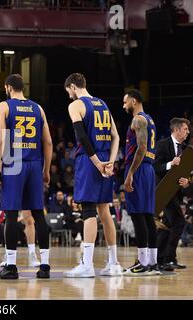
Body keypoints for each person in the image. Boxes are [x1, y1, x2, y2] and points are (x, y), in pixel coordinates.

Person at [0, 73, 52, 279]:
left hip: (14, 164)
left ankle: (11, 266)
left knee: (10, 214)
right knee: (38, 215)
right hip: (34, 165)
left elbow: (1, 137)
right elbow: (49, 142)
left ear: (8, 87)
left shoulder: (4, 106)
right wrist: (46, 169)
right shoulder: (38, 108)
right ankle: (44, 266)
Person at [62, 73, 122, 278]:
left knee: (88, 209)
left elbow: (81, 137)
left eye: (68, 91)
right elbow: (116, 136)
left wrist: (97, 163)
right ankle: (114, 264)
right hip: (106, 159)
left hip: (90, 161)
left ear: (72, 86)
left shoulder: (76, 105)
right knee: (105, 212)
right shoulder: (103, 104)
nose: (69, 95)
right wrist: (111, 162)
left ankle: (87, 264)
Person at [122, 89, 161, 276]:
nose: (123, 105)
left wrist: (130, 174)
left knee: (138, 216)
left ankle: (143, 263)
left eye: (125, 102)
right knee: (147, 216)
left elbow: (142, 147)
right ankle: (153, 263)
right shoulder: (151, 119)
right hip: (148, 170)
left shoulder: (138, 119)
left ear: (134, 101)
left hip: (138, 169)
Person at [154, 117, 191, 270]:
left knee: (167, 225)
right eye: (185, 129)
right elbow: (155, 167)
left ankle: (161, 258)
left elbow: (182, 173)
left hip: (175, 192)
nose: (188, 132)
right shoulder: (162, 144)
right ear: (176, 130)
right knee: (179, 222)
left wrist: (186, 182)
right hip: (163, 191)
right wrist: (170, 164)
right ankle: (168, 258)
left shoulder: (183, 148)